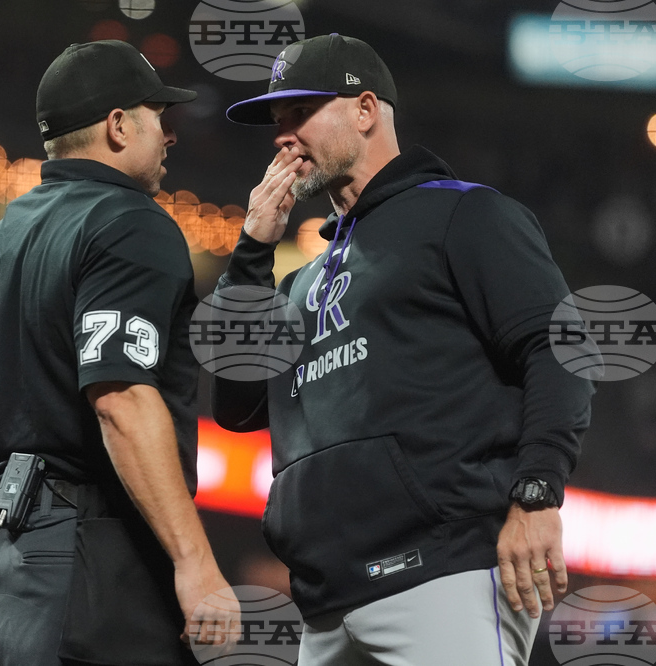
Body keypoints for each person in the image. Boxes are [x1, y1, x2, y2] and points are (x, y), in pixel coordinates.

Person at [212, 34, 596, 665]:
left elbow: (561, 347)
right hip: (326, 601)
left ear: (366, 110)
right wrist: (252, 252)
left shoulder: (464, 214)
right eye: (277, 122)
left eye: (301, 113)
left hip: (444, 574)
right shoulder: (301, 282)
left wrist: (537, 495)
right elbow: (236, 403)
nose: (283, 136)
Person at [0, 40, 237, 666]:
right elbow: (120, 397)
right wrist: (195, 562)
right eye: (158, 115)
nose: (170, 134)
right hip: (86, 555)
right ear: (117, 125)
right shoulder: (131, 221)